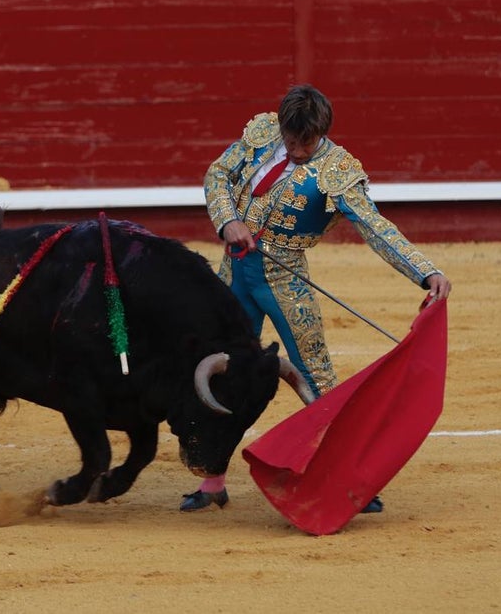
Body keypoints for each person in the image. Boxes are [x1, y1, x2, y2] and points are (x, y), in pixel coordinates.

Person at [180, 84, 452, 513]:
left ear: (322, 132)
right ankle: (213, 482)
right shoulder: (263, 133)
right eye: (292, 141)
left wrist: (426, 271)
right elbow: (217, 174)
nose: (299, 150)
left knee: (317, 378)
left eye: (307, 142)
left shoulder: (337, 170)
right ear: (283, 127)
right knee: (222, 374)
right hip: (232, 274)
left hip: (284, 281)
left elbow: (375, 228)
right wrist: (229, 220)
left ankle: (347, 479)